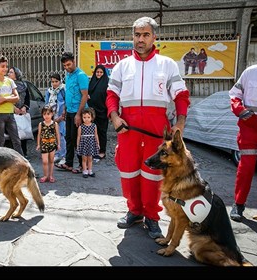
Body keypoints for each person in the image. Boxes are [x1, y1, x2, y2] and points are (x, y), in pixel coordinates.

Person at [106, 16, 190, 239]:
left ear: (154, 37)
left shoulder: (167, 65)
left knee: (153, 175)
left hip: (156, 131)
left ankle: (152, 216)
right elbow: (111, 95)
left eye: (145, 35)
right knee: (128, 172)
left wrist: (180, 122)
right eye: (137, 35)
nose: (140, 39)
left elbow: (181, 95)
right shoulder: (122, 66)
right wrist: (114, 117)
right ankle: (134, 211)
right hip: (128, 130)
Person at [228, 64, 257, 222]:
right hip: (250, 125)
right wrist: (238, 109)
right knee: (246, 168)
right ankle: (238, 204)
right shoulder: (250, 72)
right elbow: (235, 94)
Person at [55, 52, 89, 174]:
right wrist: (64, 109)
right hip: (69, 112)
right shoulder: (68, 75)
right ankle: (69, 163)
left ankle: (82, 165)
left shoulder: (81, 75)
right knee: (68, 138)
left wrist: (79, 115)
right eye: (64, 65)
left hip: (78, 113)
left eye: (68, 64)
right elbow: (68, 94)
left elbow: (85, 96)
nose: (67, 67)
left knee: (78, 140)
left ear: (74, 61)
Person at [0, 55, 23, 156]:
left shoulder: (10, 81)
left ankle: (22, 161)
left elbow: (17, 98)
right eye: (2, 66)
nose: (5, 69)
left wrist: (3, 98)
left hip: (10, 113)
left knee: (16, 140)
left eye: (6, 66)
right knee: (1, 141)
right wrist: (9, 97)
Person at [87, 64, 109, 160]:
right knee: (92, 131)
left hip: (103, 112)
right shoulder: (92, 82)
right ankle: (94, 150)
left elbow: (108, 97)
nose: (99, 74)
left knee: (102, 132)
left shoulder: (107, 83)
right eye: (97, 72)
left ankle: (102, 151)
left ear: (104, 73)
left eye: (101, 72)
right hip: (92, 112)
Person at [8, 67, 31, 157]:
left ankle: (23, 154)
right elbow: (6, 98)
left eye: (11, 72)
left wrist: (25, 107)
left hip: (22, 112)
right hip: (11, 113)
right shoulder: (7, 85)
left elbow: (27, 98)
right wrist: (14, 108)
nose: (9, 74)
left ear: (16, 74)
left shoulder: (24, 85)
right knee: (12, 135)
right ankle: (13, 156)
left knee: (23, 133)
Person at [36, 105, 61, 183]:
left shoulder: (55, 124)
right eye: (44, 114)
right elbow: (39, 134)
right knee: (45, 161)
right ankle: (45, 175)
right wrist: (38, 144)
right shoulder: (41, 124)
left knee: (51, 160)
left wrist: (58, 144)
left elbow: (57, 134)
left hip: (52, 144)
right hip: (44, 144)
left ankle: (50, 175)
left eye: (48, 114)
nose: (46, 116)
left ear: (52, 114)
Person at [45, 73, 66, 164]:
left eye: (56, 81)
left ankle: (63, 155)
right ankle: (56, 154)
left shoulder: (63, 90)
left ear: (60, 81)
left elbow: (66, 102)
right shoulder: (49, 91)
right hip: (52, 117)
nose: (54, 84)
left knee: (61, 136)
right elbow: (46, 104)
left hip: (61, 117)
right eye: (52, 82)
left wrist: (62, 116)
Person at [76, 107, 100, 178]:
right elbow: (78, 136)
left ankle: (90, 170)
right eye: (84, 117)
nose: (86, 119)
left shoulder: (94, 126)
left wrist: (98, 143)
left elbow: (96, 135)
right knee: (84, 159)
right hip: (84, 144)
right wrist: (78, 145)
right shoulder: (81, 127)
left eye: (88, 117)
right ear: (82, 117)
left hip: (91, 143)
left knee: (90, 158)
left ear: (92, 117)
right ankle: (85, 170)